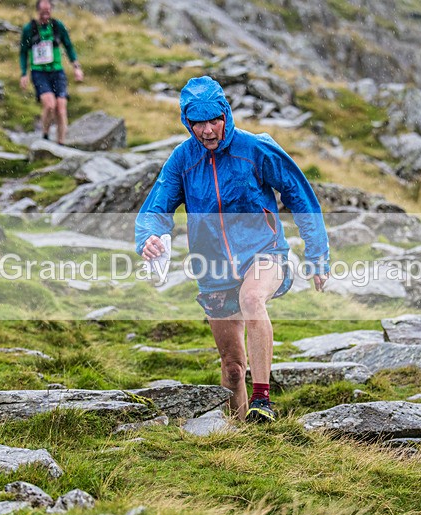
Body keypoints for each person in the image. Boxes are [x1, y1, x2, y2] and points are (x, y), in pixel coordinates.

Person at [135, 76, 330, 423]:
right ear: (187, 122)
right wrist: (148, 237)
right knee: (232, 368)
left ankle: (263, 400)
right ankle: (242, 437)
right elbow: (155, 208)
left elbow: (300, 194)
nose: (208, 130)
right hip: (213, 269)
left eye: (215, 120)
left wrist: (317, 255)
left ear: (226, 114)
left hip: (264, 252)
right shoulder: (182, 161)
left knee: (252, 299)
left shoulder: (255, 148)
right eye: (199, 123)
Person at [19, 0, 83, 145]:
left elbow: (68, 46)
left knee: (61, 107)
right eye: (43, 12)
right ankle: (46, 135)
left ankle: (61, 143)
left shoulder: (57, 26)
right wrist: (24, 73)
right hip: (39, 72)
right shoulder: (29, 29)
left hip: (57, 71)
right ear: (38, 11)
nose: (45, 15)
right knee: (49, 105)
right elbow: (23, 52)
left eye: (48, 11)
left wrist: (76, 67)